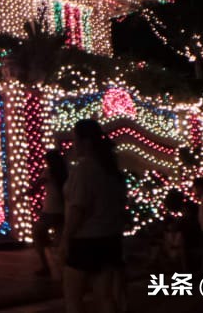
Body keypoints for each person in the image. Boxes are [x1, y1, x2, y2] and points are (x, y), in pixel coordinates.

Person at [60, 120, 126, 313]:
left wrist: (65, 238)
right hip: (109, 236)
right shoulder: (111, 169)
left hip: (86, 239)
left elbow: (78, 208)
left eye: (75, 140)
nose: (73, 145)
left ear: (86, 142)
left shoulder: (84, 169)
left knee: (73, 298)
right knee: (105, 296)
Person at [33, 149, 67, 277]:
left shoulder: (48, 172)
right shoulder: (64, 172)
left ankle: (45, 265)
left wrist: (29, 191)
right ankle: (63, 268)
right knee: (60, 239)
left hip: (50, 209)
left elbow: (36, 186)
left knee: (37, 233)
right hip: (62, 209)